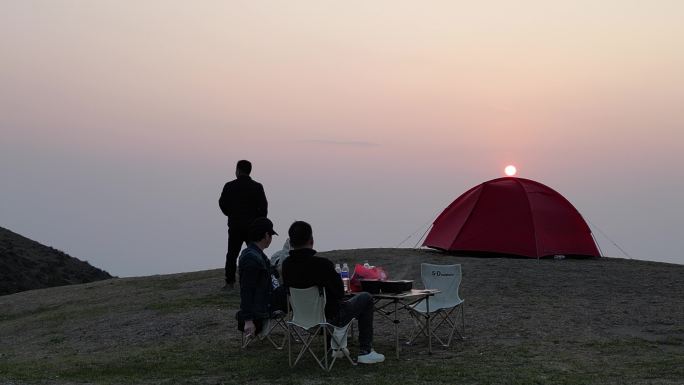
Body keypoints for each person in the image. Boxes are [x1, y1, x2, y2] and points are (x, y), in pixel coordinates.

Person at [282, 221, 385, 364]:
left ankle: (334, 348)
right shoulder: (321, 264)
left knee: (329, 305)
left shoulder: (286, 266)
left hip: (301, 320)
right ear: (311, 241)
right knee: (366, 298)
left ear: (291, 243)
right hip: (329, 321)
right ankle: (365, 351)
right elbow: (339, 292)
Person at [219, 160, 268, 290]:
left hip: (235, 226)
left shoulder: (229, 186)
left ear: (238, 170)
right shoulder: (257, 186)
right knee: (256, 253)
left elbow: (222, 204)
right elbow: (263, 208)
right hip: (252, 227)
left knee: (232, 254)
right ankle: (261, 278)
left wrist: (231, 214)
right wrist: (258, 222)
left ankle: (230, 282)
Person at [236, 217, 286, 338]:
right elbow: (246, 289)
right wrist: (248, 320)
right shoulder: (251, 258)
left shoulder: (256, 254)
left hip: (266, 301)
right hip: (263, 307)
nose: (271, 239)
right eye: (271, 235)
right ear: (266, 235)